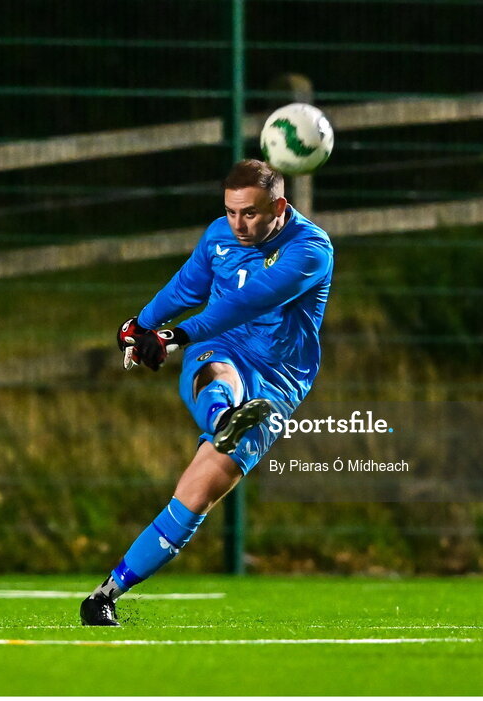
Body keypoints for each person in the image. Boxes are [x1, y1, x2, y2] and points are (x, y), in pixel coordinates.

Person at [80, 159, 334, 626]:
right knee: (216, 369)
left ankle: (107, 590)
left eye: (250, 214)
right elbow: (185, 287)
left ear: (279, 205)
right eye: (231, 211)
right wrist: (141, 325)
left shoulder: (312, 249)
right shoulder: (219, 235)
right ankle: (223, 422)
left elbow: (246, 301)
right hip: (221, 347)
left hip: (278, 381)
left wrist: (174, 338)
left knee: (195, 495)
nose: (238, 223)